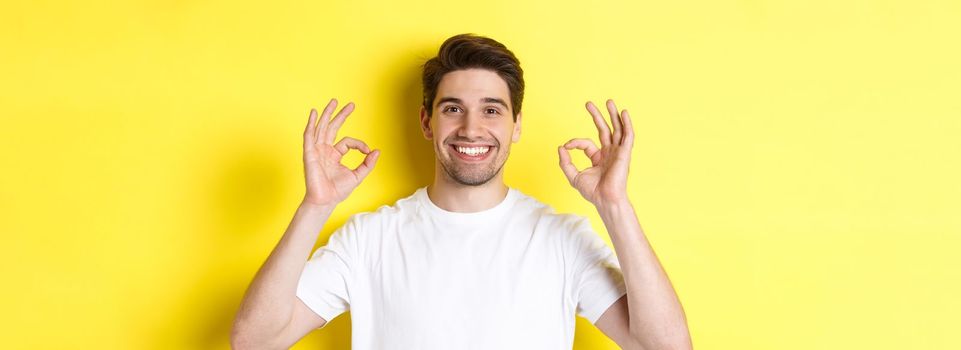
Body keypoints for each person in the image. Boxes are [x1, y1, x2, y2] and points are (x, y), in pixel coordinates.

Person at [231, 33, 691, 350]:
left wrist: (615, 206)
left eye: (492, 110)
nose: (472, 128)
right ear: (427, 122)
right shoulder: (369, 238)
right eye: (453, 108)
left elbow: (666, 346)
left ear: (516, 127)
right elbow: (253, 340)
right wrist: (316, 206)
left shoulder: (562, 239)